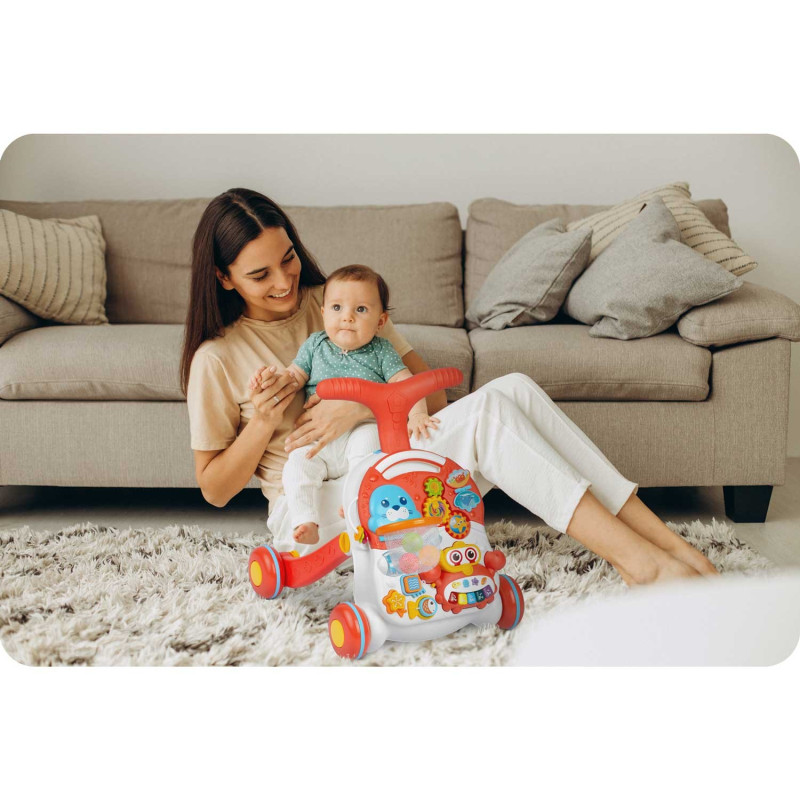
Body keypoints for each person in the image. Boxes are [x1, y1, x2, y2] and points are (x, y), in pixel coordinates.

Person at [181, 187, 718, 583]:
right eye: (260, 275)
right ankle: (640, 563)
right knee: (488, 416)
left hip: (384, 464)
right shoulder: (217, 357)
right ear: (224, 278)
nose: (284, 282)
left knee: (514, 389)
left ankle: (671, 548)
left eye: (288, 259)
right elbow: (215, 489)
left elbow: (432, 400)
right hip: (316, 511)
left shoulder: (340, 300)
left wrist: (363, 408)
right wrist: (264, 423)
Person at [248, 264, 438, 546]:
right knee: (297, 465)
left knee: (368, 450)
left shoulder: (381, 350)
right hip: (319, 440)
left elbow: (407, 384)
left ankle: (357, 503)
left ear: (380, 321)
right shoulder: (315, 345)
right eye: (337, 308)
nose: (347, 317)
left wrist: (418, 414)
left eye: (360, 309)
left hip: (360, 430)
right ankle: (305, 520)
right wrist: (270, 380)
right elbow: (293, 377)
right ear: (323, 313)